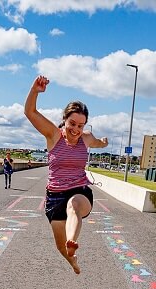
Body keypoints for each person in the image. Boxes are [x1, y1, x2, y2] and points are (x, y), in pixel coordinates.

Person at [24, 75, 108, 274]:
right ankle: (72, 258)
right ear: (65, 120)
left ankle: (73, 240)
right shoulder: (53, 135)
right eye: (72, 124)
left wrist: (103, 142)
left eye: (81, 125)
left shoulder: (85, 139)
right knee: (61, 248)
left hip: (79, 191)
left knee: (74, 206)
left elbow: (96, 143)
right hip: (54, 197)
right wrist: (35, 90)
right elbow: (30, 112)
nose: (76, 130)